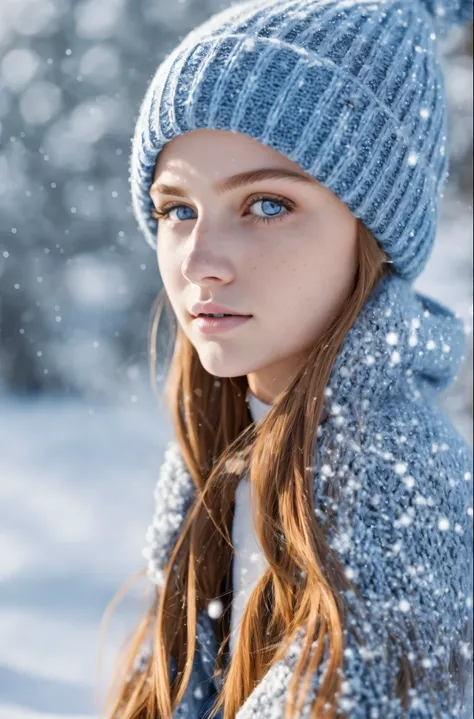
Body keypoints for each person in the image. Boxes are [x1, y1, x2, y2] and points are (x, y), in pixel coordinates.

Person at [101, 0, 474, 717]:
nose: (201, 263)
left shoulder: (404, 505)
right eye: (178, 210)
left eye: (267, 205)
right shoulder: (227, 447)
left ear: (376, 234)